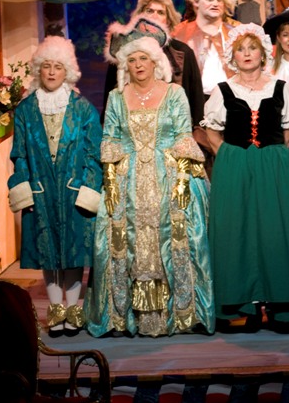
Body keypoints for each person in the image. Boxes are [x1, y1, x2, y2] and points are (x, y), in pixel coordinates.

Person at [86, 18, 215, 337]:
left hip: (170, 173)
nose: (138, 64)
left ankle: (184, 314)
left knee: (177, 239)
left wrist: (182, 180)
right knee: (124, 243)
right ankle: (123, 316)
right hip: (128, 177)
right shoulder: (117, 97)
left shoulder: (174, 93)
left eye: (143, 58)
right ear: (125, 65)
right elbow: (111, 138)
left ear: (156, 60)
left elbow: (183, 135)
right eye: (132, 59)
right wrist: (111, 182)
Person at [200, 24, 289, 332]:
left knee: (274, 231)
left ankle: (280, 306)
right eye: (240, 49)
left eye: (252, 48)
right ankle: (246, 306)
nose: (246, 54)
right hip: (234, 166)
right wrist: (232, 157)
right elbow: (212, 132)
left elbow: (288, 132)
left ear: (263, 53)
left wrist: (268, 158)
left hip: (273, 165)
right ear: (233, 56)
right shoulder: (222, 90)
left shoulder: (281, 88)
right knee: (238, 231)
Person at [7, 36, 102, 336]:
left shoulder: (83, 109)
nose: (51, 72)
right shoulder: (25, 110)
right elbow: (19, 154)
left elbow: (94, 154)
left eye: (57, 67)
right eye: (46, 66)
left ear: (67, 71)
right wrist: (25, 186)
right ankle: (55, 307)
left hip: (74, 191)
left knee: (74, 252)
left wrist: (88, 187)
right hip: (41, 190)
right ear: (39, 69)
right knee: (47, 251)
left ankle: (73, 308)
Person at [103, 0, 205, 127]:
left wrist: (197, 129)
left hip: (173, 128)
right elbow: (109, 95)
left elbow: (195, 97)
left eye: (161, 12)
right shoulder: (124, 50)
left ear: (168, 20)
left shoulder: (182, 52)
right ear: (140, 16)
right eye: (150, 11)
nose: (154, 16)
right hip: (131, 125)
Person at [171, 0, 240, 95]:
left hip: (232, 99)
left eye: (219, 0)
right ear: (196, 2)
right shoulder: (179, 33)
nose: (215, 4)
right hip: (193, 100)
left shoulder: (237, 33)